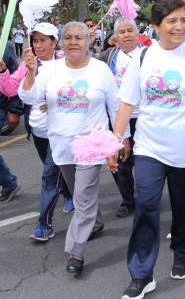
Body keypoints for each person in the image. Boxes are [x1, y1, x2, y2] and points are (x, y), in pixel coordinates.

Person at [108, 0, 185, 299]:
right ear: (157, 26)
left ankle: (182, 250)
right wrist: (115, 140)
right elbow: (126, 104)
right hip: (149, 147)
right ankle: (141, 274)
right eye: (172, 20)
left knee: (184, 207)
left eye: (183, 20)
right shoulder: (143, 58)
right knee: (146, 205)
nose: (180, 26)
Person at [19, 21, 129, 273]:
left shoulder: (100, 70)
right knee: (80, 194)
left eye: (79, 37)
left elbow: (116, 107)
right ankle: (96, 222)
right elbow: (29, 97)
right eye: (67, 37)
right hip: (61, 144)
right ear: (61, 42)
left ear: (89, 41)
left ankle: (76, 251)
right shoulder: (51, 69)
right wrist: (30, 72)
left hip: (91, 144)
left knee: (83, 195)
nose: (73, 42)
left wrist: (121, 140)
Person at [1, 22, 74, 239]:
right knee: (55, 170)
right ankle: (69, 194)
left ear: (54, 42)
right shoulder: (28, 64)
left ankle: (44, 224)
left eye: (43, 40)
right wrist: (3, 71)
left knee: (49, 176)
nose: (38, 45)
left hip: (61, 130)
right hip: (38, 131)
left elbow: (77, 91)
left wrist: (56, 101)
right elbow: (10, 89)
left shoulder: (66, 63)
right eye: (35, 40)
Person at [97, 17, 141, 218]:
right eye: (122, 32)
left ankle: (146, 196)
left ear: (137, 32)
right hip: (117, 117)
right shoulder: (106, 58)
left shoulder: (149, 55)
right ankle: (128, 198)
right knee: (121, 162)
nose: (126, 35)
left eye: (130, 30)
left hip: (144, 117)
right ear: (115, 38)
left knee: (144, 161)